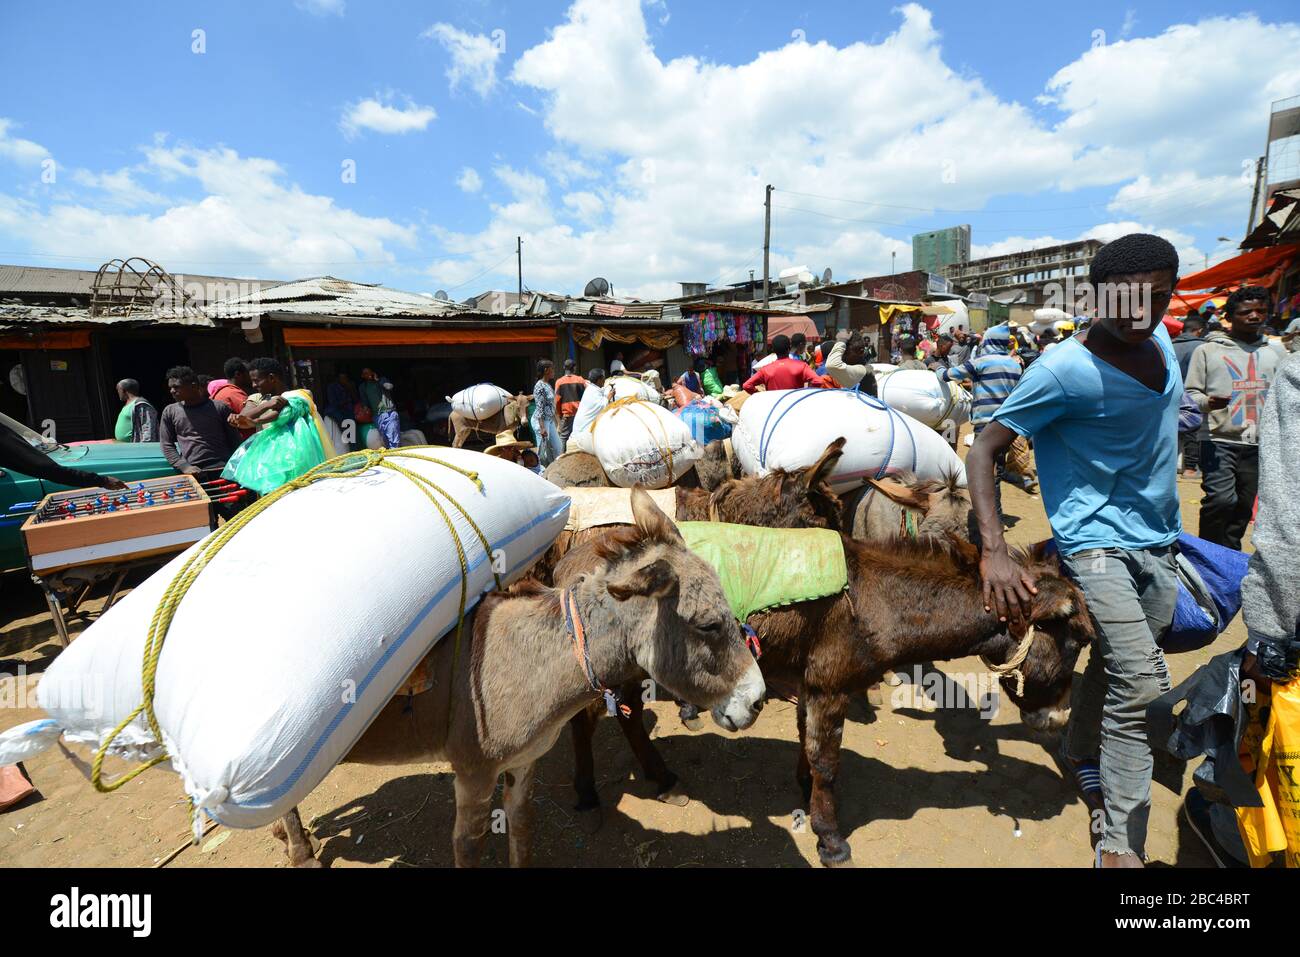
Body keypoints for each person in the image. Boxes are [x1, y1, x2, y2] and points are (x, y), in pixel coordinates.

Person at [972, 233, 1183, 868]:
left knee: (1120, 669)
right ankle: (1120, 845)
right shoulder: (1063, 369)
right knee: (1144, 682)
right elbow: (983, 449)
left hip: (1159, 541)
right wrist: (994, 552)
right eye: (1127, 300)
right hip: (1095, 547)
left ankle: (1079, 750)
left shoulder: (1165, 343)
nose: (1142, 314)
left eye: (1159, 297)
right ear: (1094, 296)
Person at [1184, 286, 1280, 551]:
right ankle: (1208, 553)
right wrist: (1208, 402)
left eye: (1260, 311)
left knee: (1243, 506)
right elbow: (1191, 393)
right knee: (1220, 499)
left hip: (1259, 442)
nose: (1254, 316)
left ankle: (1229, 556)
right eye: (1245, 311)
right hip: (1217, 438)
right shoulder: (1208, 351)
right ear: (1230, 316)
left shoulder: (1276, 353)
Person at [941, 326, 1022, 516]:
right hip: (1007, 425)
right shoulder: (1015, 365)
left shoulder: (981, 361)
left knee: (982, 468)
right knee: (996, 470)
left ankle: (989, 516)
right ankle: (996, 514)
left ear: (989, 341)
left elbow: (949, 375)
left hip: (985, 425)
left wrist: (937, 371)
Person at [224, 358, 336, 493]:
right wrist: (258, 409)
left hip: (300, 463)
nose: (253, 385)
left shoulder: (298, 396)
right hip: (273, 469)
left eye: (257, 380)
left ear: (271, 378)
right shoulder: (258, 398)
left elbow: (280, 415)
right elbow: (245, 416)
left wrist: (256, 420)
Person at [159, 365, 243, 481]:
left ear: (193, 386)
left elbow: (235, 440)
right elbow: (166, 444)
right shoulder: (170, 411)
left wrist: (235, 466)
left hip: (223, 470)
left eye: (176, 387)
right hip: (194, 474)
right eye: (170, 387)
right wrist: (184, 466)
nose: (172, 391)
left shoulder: (219, 408)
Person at [742, 334, 821, 393]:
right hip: (794, 407)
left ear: (773, 350)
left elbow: (746, 385)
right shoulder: (801, 366)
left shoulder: (765, 369)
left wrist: (760, 394)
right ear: (789, 348)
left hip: (774, 409)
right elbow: (818, 381)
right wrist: (805, 394)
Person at [531, 359, 562, 466]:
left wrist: (557, 422)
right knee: (543, 451)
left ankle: (555, 469)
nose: (554, 370)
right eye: (552, 368)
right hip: (541, 422)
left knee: (558, 447)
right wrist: (542, 427)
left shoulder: (547, 384)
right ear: (546, 370)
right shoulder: (539, 386)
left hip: (549, 420)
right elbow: (539, 408)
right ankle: (541, 473)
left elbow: (552, 406)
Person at [359, 367, 399, 449]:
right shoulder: (363, 387)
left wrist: (378, 380)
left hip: (389, 413)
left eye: (369, 372)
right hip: (377, 415)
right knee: (384, 438)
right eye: (365, 373)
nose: (368, 375)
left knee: (393, 437)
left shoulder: (381, 380)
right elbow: (364, 401)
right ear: (363, 376)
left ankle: (395, 456)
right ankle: (391, 455)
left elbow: (389, 387)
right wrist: (365, 408)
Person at [113, 378, 158, 443]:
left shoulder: (140, 404)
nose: (118, 393)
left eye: (118, 390)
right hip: (125, 447)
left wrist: (145, 446)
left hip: (137, 448)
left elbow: (148, 427)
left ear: (124, 390)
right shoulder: (127, 405)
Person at [570, 367, 609, 441]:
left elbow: (602, 391)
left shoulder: (592, 388)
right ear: (599, 379)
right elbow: (602, 406)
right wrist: (609, 397)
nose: (605, 380)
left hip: (580, 430)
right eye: (604, 378)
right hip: (582, 434)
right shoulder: (593, 392)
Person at [554, 359, 586, 442]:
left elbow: (557, 401)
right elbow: (586, 397)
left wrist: (560, 415)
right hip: (580, 414)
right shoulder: (581, 380)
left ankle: (562, 455)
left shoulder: (559, 382)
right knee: (581, 435)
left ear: (564, 368)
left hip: (567, 414)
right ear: (574, 368)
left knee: (563, 437)